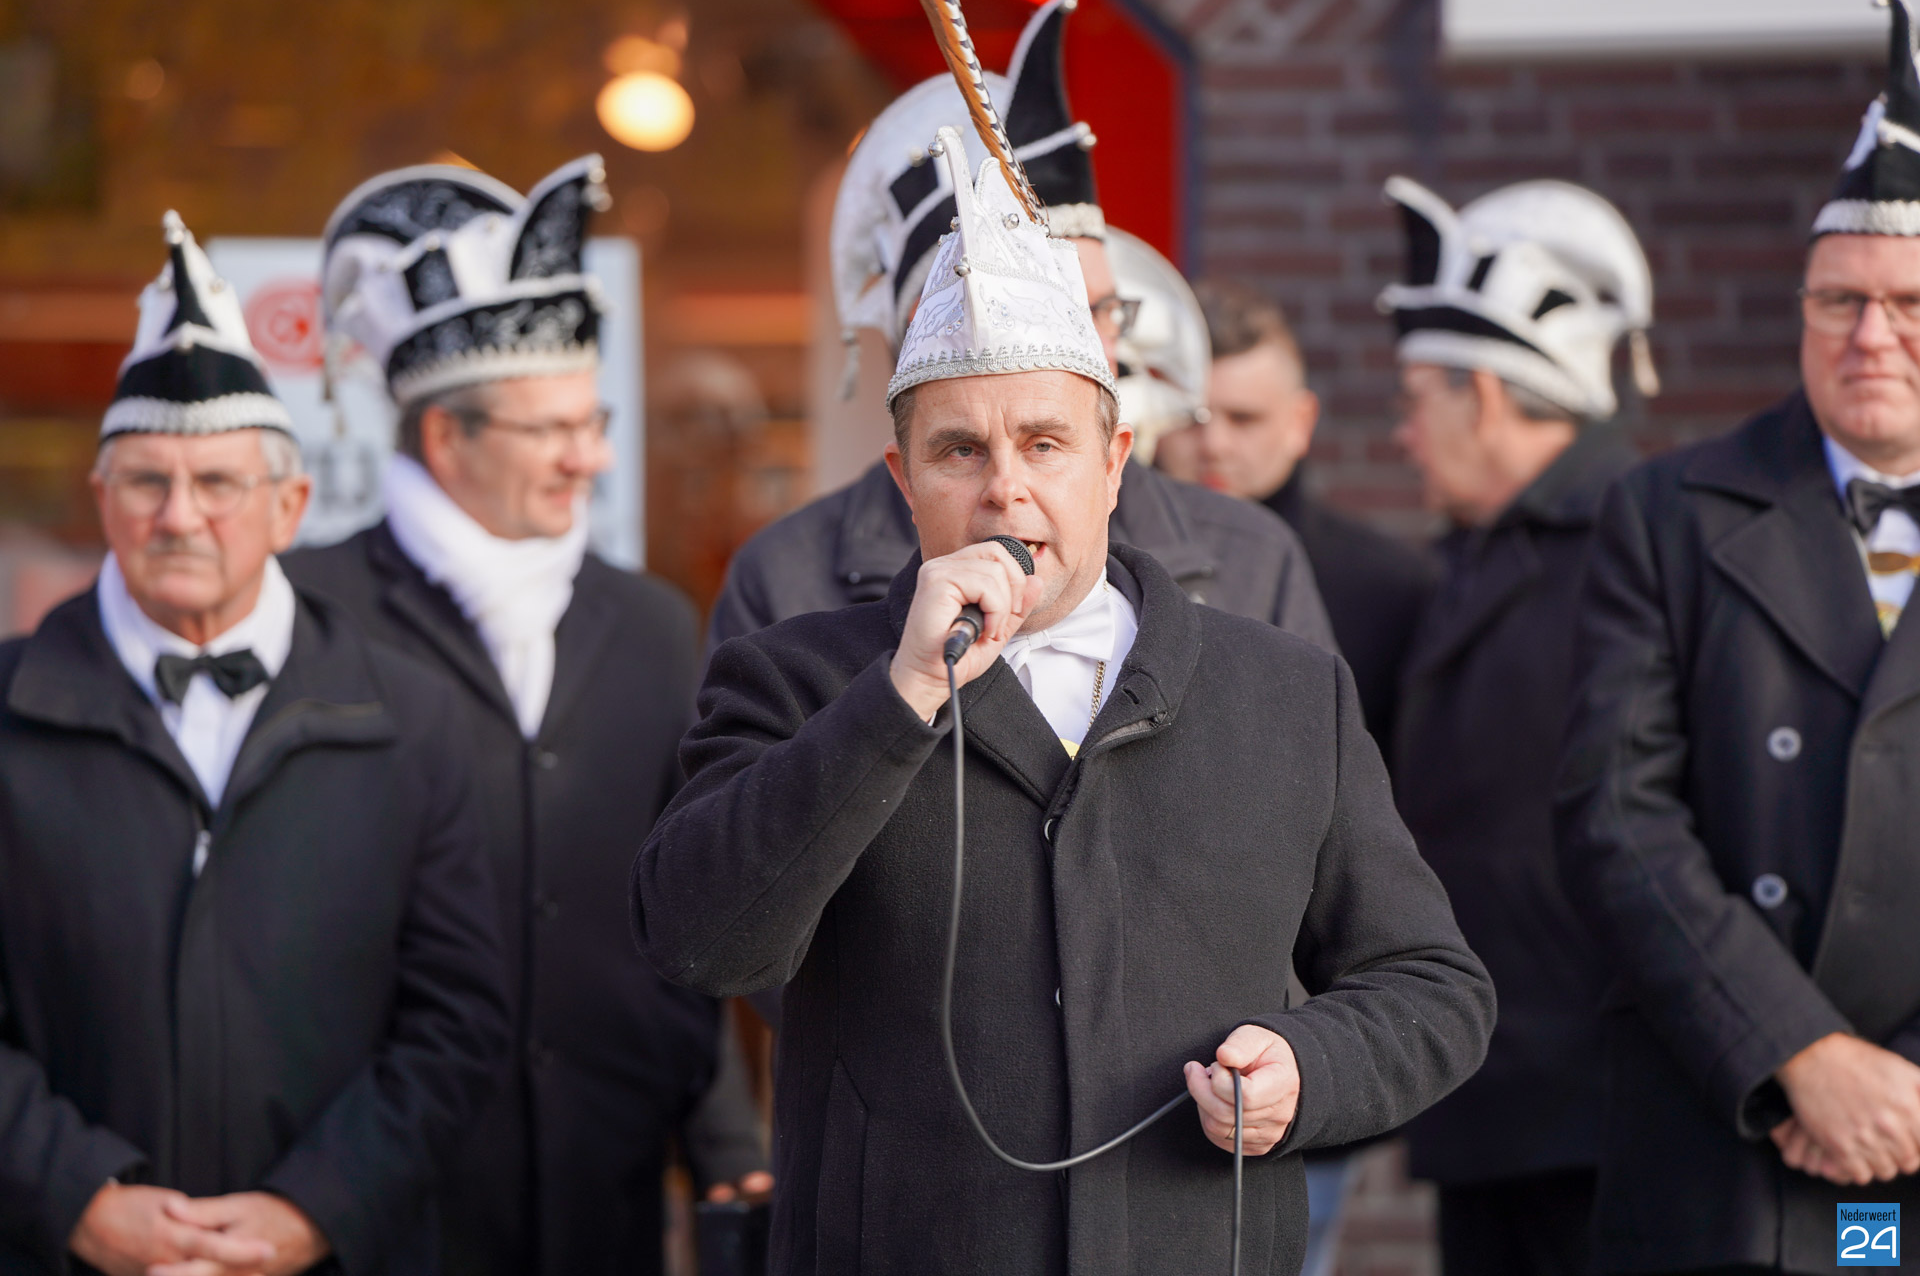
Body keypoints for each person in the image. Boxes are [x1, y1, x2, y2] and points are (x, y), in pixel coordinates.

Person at [632, 121, 1494, 1276]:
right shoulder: (793, 678)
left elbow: (1434, 985)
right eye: (959, 451)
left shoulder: (1288, 692)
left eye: (1045, 443)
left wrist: (1312, 1067)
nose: (1006, 490)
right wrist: (898, 697)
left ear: (1115, 459)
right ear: (901, 477)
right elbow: (698, 940)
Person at [284, 157, 766, 1276]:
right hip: (374, 1197)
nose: (590, 456)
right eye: (550, 429)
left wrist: (726, 1143)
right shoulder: (310, 616)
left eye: (592, 421)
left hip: (603, 1189)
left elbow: (682, 909)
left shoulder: (649, 622)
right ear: (446, 438)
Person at [0, 214, 507, 1276]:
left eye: (219, 483)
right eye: (147, 480)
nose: (180, 516)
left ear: (290, 506)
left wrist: (311, 1209)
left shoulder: (414, 718)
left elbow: (459, 1021)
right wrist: (77, 1196)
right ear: (102, 499)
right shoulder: (8, 706)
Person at [1556, 2, 1920, 1271]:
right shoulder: (1670, 510)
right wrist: (1797, 1050)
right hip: (1725, 1122)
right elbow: (1615, 814)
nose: (1870, 335)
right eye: (1839, 301)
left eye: (1907, 301)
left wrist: (1899, 1084)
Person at [707, 0, 1332, 656]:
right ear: (930, 335)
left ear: (1116, 459)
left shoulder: (1251, 559)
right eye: (1048, 313)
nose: (1095, 350)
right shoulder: (785, 580)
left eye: (1102, 310)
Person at [1374, 175, 1657, 1275]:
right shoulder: (1481, 551)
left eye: (1419, 397)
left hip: (1598, 1117)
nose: (1403, 433)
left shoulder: (1639, 545)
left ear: (1485, 395)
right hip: (1496, 1100)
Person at [1160, 280, 1435, 751]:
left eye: (1243, 418)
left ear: (1301, 422)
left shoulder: (1392, 588)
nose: (1214, 445)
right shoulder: (1101, 563)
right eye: (1190, 418)